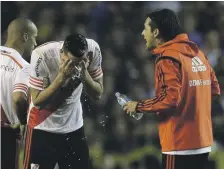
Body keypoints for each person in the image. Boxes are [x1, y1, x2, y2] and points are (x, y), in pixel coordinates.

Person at [123, 9, 220, 169]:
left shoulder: (167, 58)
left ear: (156, 32)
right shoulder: (197, 54)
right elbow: (214, 90)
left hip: (179, 143)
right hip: (203, 141)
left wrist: (138, 106)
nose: (142, 33)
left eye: (145, 29)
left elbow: (170, 99)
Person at [24, 33, 103, 169]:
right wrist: (61, 77)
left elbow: (98, 94)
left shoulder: (93, 49)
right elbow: (37, 102)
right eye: (72, 62)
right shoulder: (42, 55)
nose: (76, 66)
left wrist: (85, 74)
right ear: (62, 54)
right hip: (42, 126)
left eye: (81, 61)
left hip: (73, 127)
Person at [0, 18, 38, 169]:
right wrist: (23, 123)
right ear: (25, 37)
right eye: (35, 38)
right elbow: (18, 98)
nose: (35, 44)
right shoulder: (24, 67)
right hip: (5, 132)